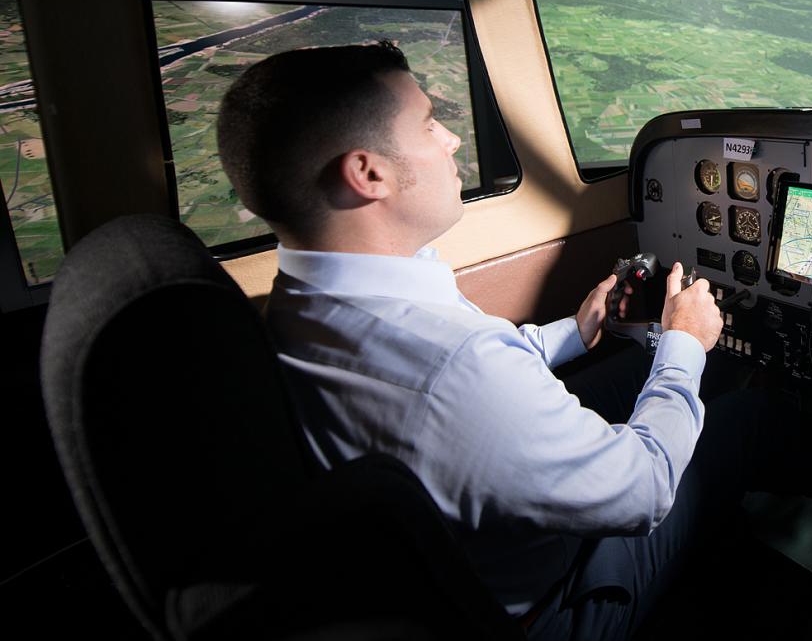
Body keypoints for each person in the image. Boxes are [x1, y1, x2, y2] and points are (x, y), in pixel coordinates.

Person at [216, 40, 751, 638]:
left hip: (449, 559)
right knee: (752, 417)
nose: (449, 140)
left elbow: (476, 379)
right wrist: (682, 343)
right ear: (368, 173)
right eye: (427, 122)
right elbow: (644, 488)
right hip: (556, 600)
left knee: (645, 369)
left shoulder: (303, 298)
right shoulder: (454, 366)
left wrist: (573, 334)